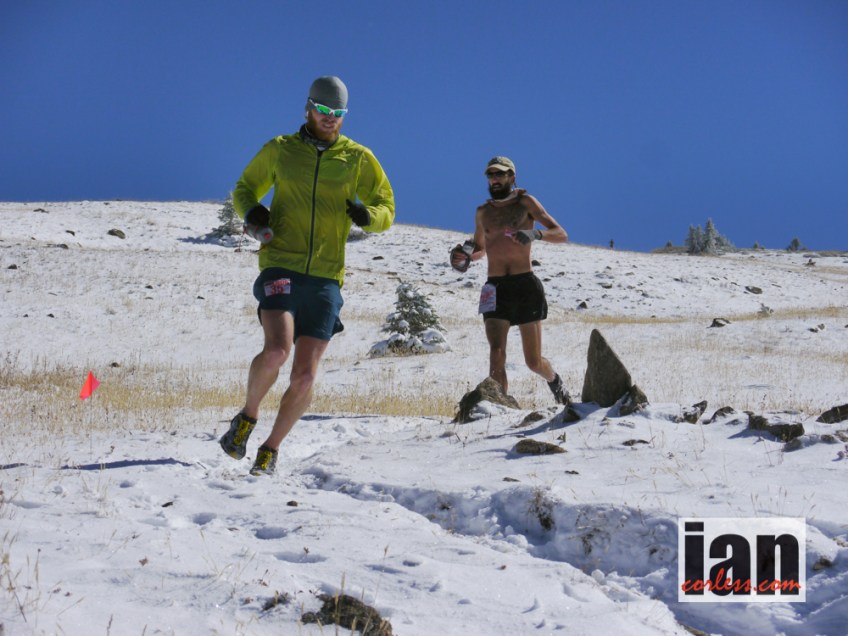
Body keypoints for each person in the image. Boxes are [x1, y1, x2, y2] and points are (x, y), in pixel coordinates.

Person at [220, 76, 395, 476]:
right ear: (309, 107)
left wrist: (369, 216)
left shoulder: (358, 158)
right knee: (277, 351)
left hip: (326, 277)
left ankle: (270, 449)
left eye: (338, 112)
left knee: (304, 377)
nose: (330, 118)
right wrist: (253, 213)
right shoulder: (281, 149)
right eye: (324, 110)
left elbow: (386, 205)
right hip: (281, 263)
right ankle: (247, 417)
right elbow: (245, 188)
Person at [450, 156, 570, 404]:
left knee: (533, 362)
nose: (494, 179)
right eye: (491, 175)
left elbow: (561, 234)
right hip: (495, 288)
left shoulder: (526, 202)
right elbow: (480, 248)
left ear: (512, 177)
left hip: (525, 285)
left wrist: (535, 233)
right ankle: (498, 407)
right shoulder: (483, 212)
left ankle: (555, 383)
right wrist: (464, 256)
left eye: (500, 174)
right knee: (496, 353)